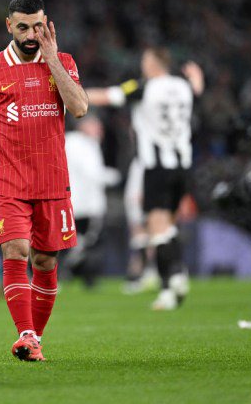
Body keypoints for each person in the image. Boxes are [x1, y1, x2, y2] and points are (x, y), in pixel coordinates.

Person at [0, 0, 88, 361]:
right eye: (22, 27)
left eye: (37, 26)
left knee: (45, 262)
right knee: (16, 250)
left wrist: (52, 58)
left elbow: (80, 108)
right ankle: (25, 333)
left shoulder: (64, 62)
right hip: (8, 181)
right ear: (9, 25)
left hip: (53, 182)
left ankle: (33, 340)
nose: (30, 34)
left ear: (46, 24)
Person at [87, 48, 204, 310]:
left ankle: (169, 284)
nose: (142, 65)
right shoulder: (182, 86)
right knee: (170, 226)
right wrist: (197, 77)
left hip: (156, 166)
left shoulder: (145, 87)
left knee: (157, 229)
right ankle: (179, 274)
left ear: (153, 63)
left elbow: (108, 95)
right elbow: (197, 90)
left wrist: (70, 92)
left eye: (145, 61)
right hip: (183, 166)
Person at [64, 115, 121, 287]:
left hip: (69, 202)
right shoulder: (84, 144)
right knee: (89, 242)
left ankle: (73, 274)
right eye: (95, 125)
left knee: (72, 241)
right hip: (86, 204)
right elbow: (92, 173)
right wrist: (114, 177)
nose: (99, 130)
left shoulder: (68, 140)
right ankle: (82, 275)